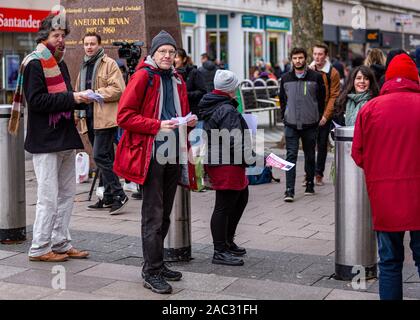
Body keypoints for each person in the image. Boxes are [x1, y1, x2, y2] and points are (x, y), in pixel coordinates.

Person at [114, 30, 197, 294]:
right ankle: (151, 271)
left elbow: (179, 114)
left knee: (165, 213)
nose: (168, 56)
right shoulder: (143, 77)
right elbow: (124, 117)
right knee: (153, 214)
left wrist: (188, 124)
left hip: (173, 152)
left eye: (172, 52)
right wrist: (156, 125)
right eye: (163, 51)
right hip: (149, 154)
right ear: (154, 53)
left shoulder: (177, 80)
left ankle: (157, 264)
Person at [8, 14, 91, 262]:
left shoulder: (60, 63)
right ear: (44, 37)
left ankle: (61, 242)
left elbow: (64, 96)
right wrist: (73, 98)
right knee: (48, 197)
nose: (61, 40)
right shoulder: (34, 63)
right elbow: (37, 101)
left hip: (65, 135)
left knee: (66, 196)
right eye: (56, 36)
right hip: (45, 139)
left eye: (63, 36)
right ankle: (40, 247)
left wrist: (79, 100)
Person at [352, 54, 420, 300]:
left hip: (385, 198)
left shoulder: (370, 108)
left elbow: (357, 153)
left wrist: (378, 169)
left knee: (389, 261)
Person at [198, 69, 250, 266]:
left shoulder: (218, 103)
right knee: (224, 205)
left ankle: (227, 242)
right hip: (226, 161)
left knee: (240, 198)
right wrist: (251, 157)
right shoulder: (226, 109)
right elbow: (234, 140)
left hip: (225, 159)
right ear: (231, 89)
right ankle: (219, 250)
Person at [75, 32, 128, 215]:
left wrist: (96, 93)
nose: (89, 47)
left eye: (92, 43)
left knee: (99, 156)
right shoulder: (83, 65)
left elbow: (119, 89)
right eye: (86, 44)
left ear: (99, 45)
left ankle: (119, 194)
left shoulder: (109, 64)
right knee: (106, 157)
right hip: (88, 117)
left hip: (105, 118)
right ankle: (107, 197)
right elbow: (77, 91)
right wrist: (77, 111)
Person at [279, 48, 326, 202]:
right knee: (290, 156)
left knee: (310, 155)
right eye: (295, 58)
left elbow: (321, 99)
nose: (298, 60)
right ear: (291, 60)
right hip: (291, 124)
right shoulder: (285, 78)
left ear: (305, 59)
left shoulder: (316, 77)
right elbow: (282, 100)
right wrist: (284, 117)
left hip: (310, 124)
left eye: (300, 58)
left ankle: (310, 184)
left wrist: (317, 116)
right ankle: (289, 190)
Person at [309, 43, 341, 186]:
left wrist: (326, 116)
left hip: (324, 113)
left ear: (326, 55)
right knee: (308, 144)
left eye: (320, 54)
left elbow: (334, 96)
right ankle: (308, 173)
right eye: (315, 54)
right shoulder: (307, 70)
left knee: (321, 144)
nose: (317, 57)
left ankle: (318, 174)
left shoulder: (332, 72)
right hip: (309, 113)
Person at [174, 48, 207, 116]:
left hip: (193, 113)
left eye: (176, 57)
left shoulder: (194, 72)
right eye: (173, 57)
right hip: (176, 114)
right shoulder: (171, 74)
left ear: (184, 59)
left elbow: (202, 91)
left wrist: (186, 94)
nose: (174, 60)